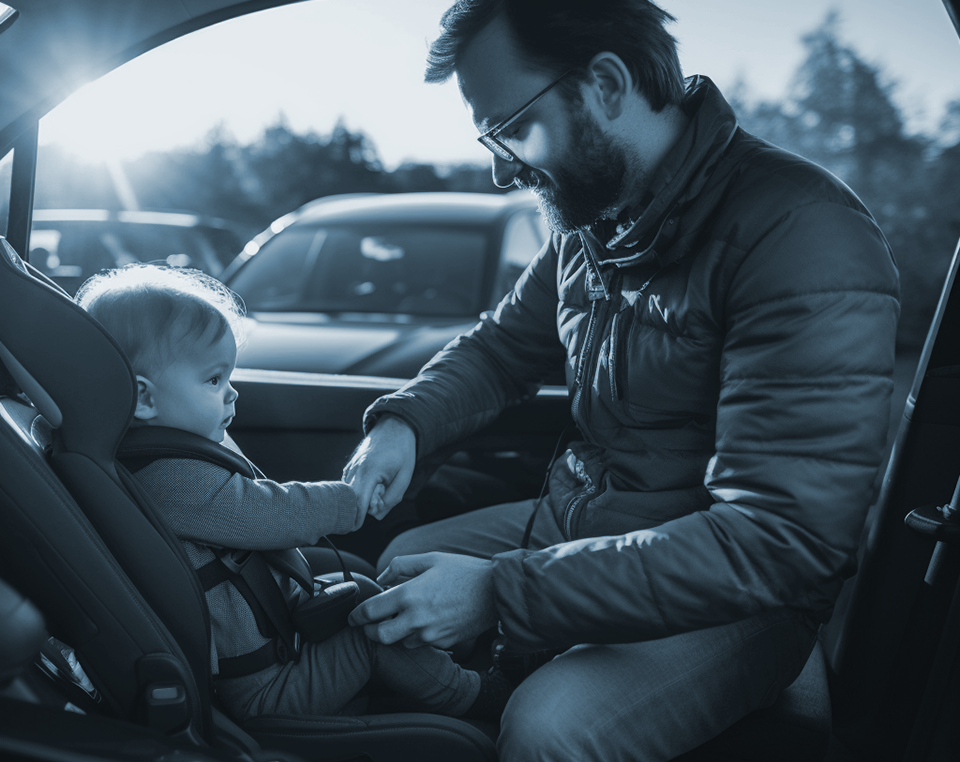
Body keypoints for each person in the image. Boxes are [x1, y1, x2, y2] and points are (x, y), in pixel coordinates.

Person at [343, 0, 901, 759]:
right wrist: (404, 421)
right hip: (594, 519)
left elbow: (778, 541)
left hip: (744, 593)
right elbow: (503, 348)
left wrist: (499, 591)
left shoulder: (798, 231)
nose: (501, 168)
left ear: (606, 85)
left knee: (550, 730)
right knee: (397, 570)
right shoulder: (590, 221)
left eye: (511, 127)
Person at [75, 264, 510, 723]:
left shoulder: (164, 454)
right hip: (264, 690)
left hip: (278, 643)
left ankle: (455, 653)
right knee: (374, 635)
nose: (232, 394)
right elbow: (268, 513)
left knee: (365, 593)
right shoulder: (167, 479)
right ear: (144, 399)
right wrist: (352, 498)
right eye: (213, 380)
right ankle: (473, 696)